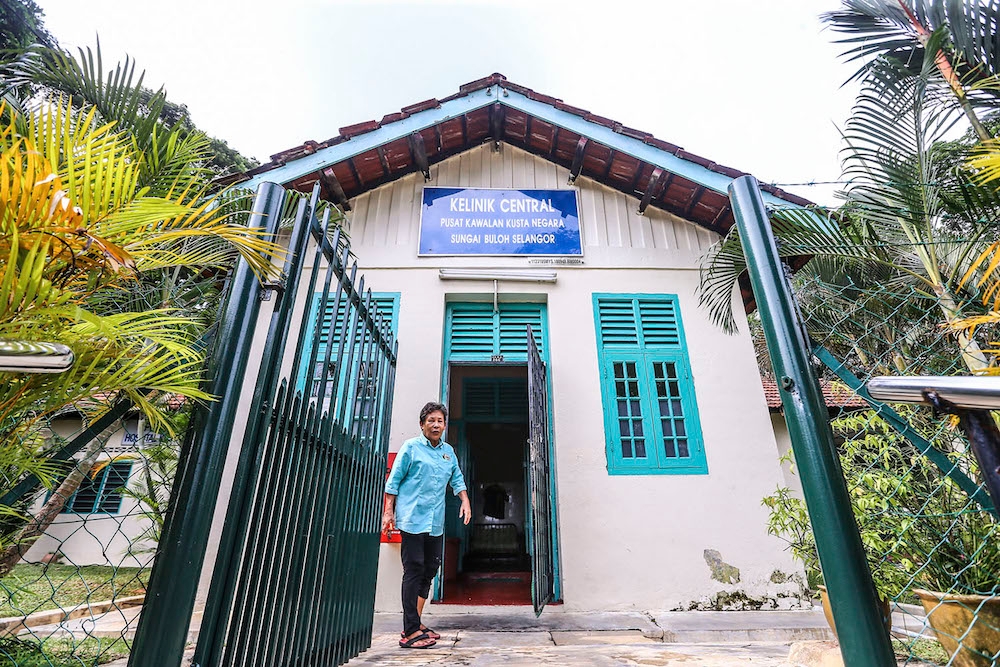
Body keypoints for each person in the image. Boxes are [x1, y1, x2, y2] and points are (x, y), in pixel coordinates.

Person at [382, 401, 471, 650]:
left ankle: (416, 623)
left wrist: (465, 501)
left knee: (430, 569)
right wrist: (388, 513)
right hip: (412, 520)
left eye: (440, 420)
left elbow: (457, 478)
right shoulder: (411, 448)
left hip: (435, 522)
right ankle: (409, 632)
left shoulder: (448, 452)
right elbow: (393, 482)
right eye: (430, 420)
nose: (435, 424)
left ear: (444, 426)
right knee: (414, 569)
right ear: (422, 424)